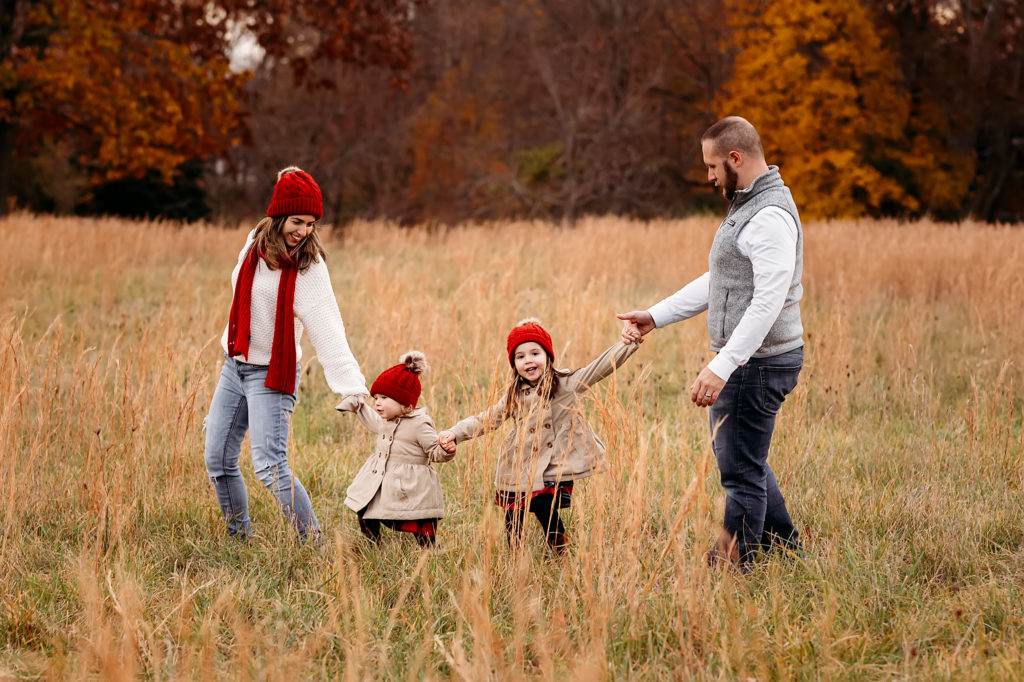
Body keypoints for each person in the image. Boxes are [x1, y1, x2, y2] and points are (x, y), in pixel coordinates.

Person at [618, 116, 805, 570]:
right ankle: (786, 548)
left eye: (713, 166)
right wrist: (655, 316)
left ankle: (734, 566)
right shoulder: (748, 205)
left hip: (757, 364)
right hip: (753, 360)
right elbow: (722, 279)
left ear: (736, 158)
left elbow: (767, 300)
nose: (709, 176)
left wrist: (723, 365)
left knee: (739, 470)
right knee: (747, 459)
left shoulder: (768, 216)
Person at [203, 166, 369, 542]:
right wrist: (289, 175)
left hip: (272, 374)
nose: (303, 231)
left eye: (311, 223)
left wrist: (352, 386)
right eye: (297, 220)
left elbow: (328, 329)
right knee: (218, 459)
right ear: (277, 215)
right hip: (235, 365)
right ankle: (238, 539)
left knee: (270, 467)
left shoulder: (309, 268)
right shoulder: (253, 243)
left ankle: (313, 543)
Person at [438, 319, 639, 554]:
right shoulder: (514, 393)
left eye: (535, 353)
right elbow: (487, 419)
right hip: (519, 464)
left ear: (548, 356)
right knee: (514, 512)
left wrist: (628, 343)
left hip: (552, 464)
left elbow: (600, 367)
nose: (528, 360)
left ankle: (558, 548)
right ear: (514, 364)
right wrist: (455, 433)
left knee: (544, 504)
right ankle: (516, 556)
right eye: (520, 357)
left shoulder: (566, 384)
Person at [336, 352, 453, 548]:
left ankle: (430, 550)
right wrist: (358, 406)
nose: (378, 403)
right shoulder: (385, 420)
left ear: (405, 402)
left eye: (384, 397)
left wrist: (446, 449)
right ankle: (372, 543)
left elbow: (434, 451)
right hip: (382, 479)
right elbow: (371, 419)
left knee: (419, 521)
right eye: (376, 398)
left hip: (410, 484)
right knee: (365, 506)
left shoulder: (420, 424)